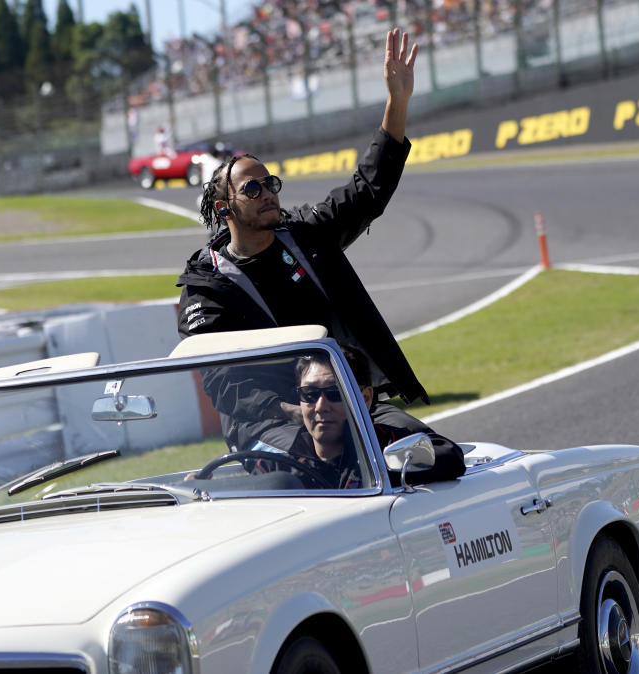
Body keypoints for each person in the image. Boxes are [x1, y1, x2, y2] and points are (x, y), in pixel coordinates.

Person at [177, 29, 433, 442]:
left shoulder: (305, 235)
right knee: (322, 466)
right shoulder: (207, 289)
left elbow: (367, 190)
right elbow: (224, 385)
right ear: (225, 210)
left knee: (431, 452)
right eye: (252, 189)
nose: (267, 194)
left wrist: (397, 102)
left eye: (270, 183)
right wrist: (299, 413)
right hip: (270, 425)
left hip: (345, 402)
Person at [274, 348, 464, 489]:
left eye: (335, 393)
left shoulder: (386, 443)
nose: (320, 406)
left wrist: (378, 469)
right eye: (309, 393)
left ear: (365, 398)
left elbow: (449, 456)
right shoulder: (280, 463)